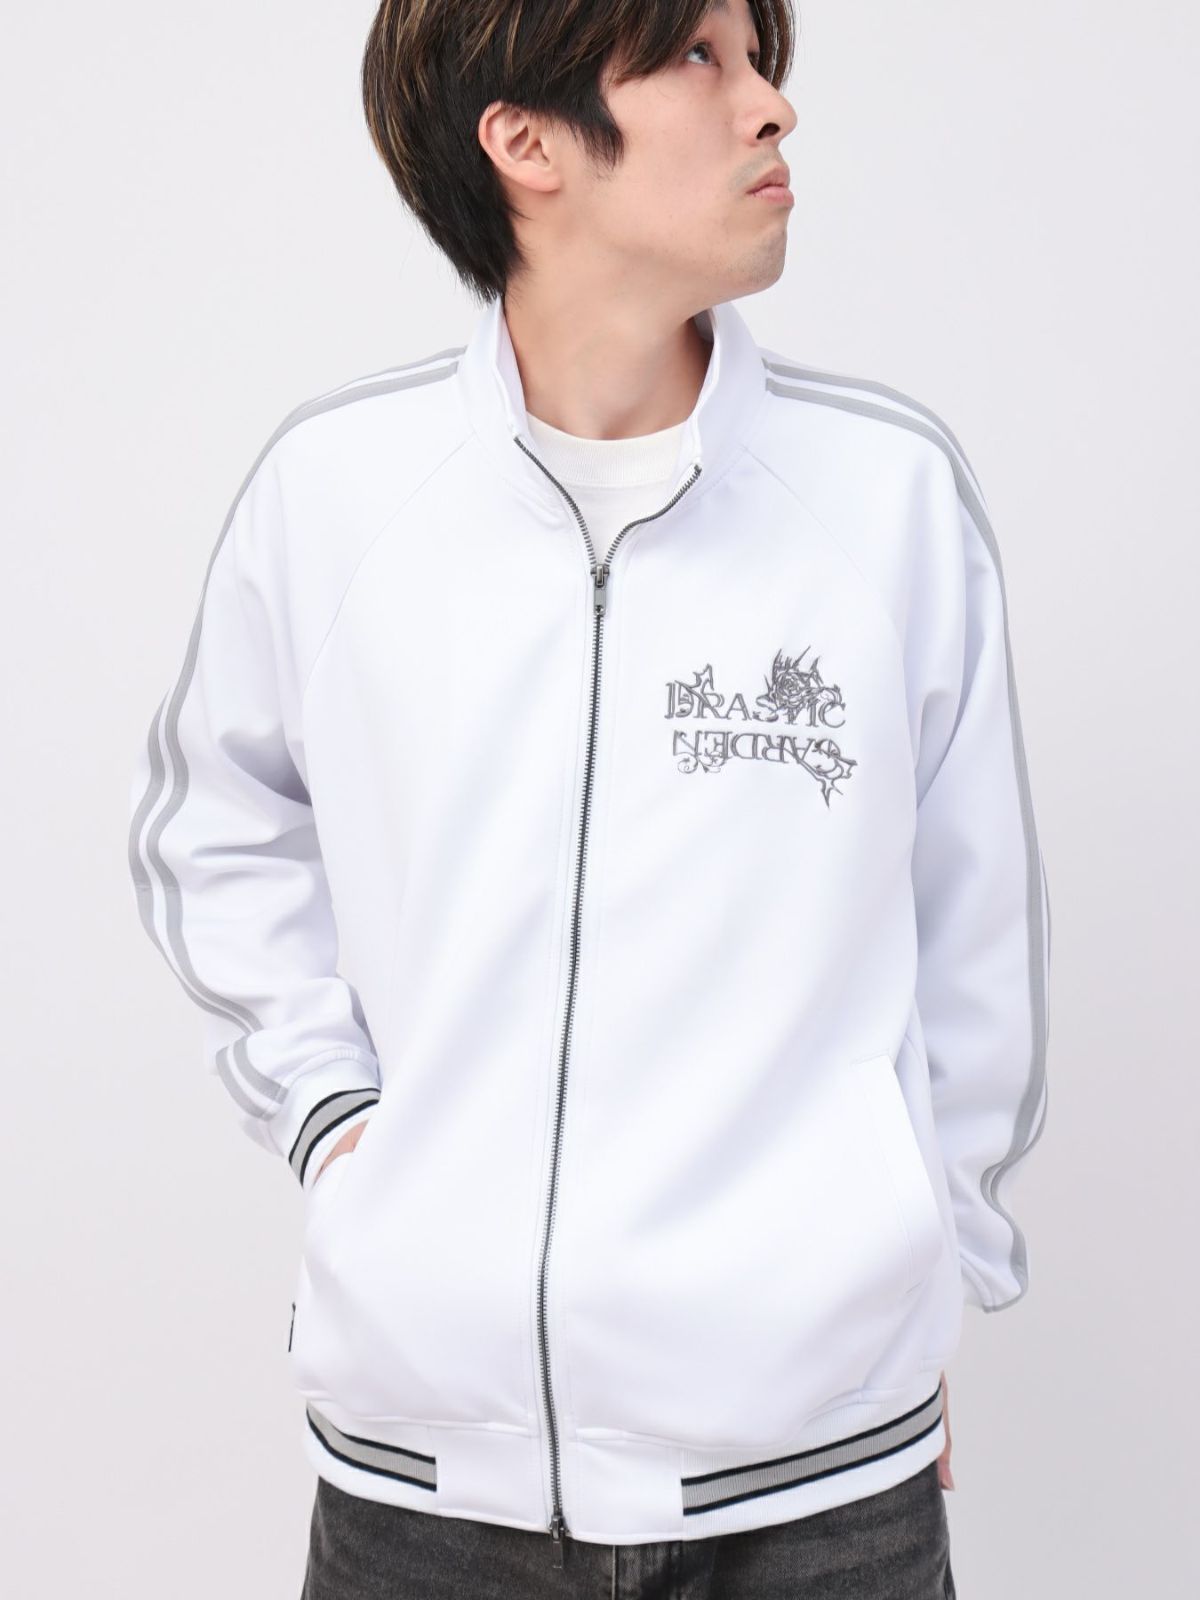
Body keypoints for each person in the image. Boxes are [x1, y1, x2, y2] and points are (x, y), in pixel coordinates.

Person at [126, 1, 1050, 1594]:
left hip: (820, 1496)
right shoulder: (335, 495)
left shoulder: (885, 496)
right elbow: (215, 831)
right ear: (526, 140)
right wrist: (334, 1114)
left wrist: (913, 1292)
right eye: (699, 58)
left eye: (762, 60)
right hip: (424, 1493)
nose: (771, 108)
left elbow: (978, 936)